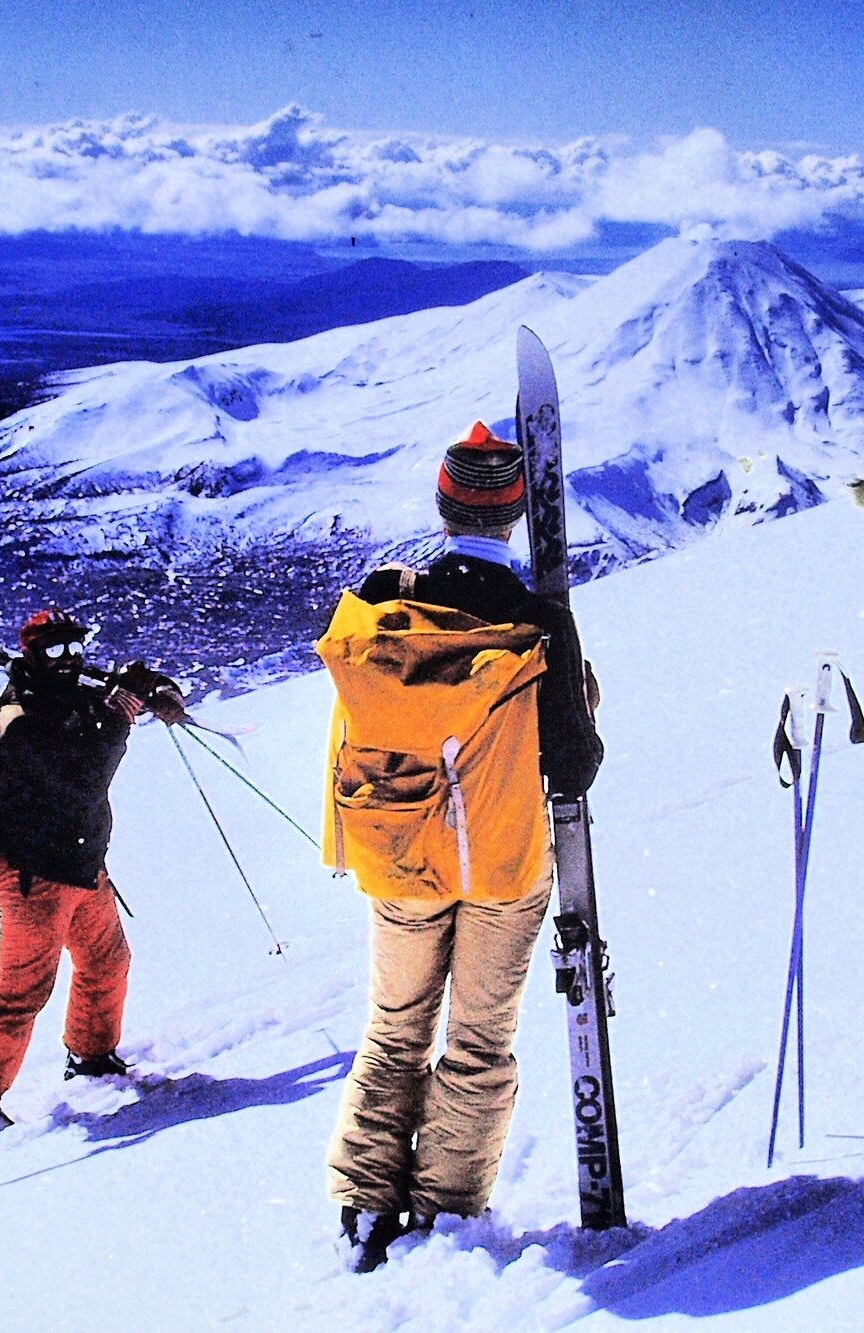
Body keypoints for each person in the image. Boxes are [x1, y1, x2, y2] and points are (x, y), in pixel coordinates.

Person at [316, 421, 603, 1270]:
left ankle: (366, 1205)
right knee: (478, 1040)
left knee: (394, 1027)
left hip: (402, 849)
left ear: (443, 508)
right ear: (516, 515)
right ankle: (443, 1212)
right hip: (501, 859)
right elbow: (574, 764)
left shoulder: (385, 603)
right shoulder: (537, 618)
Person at [0, 608, 185, 1130]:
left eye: (75, 647)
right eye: (54, 650)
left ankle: (92, 1056)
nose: (68, 659)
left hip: (81, 865)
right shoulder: (17, 718)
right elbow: (83, 779)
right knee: (22, 988)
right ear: (31, 655)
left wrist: (155, 690)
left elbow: (122, 705)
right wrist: (122, 709)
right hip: (33, 875)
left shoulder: (72, 697)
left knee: (107, 962)